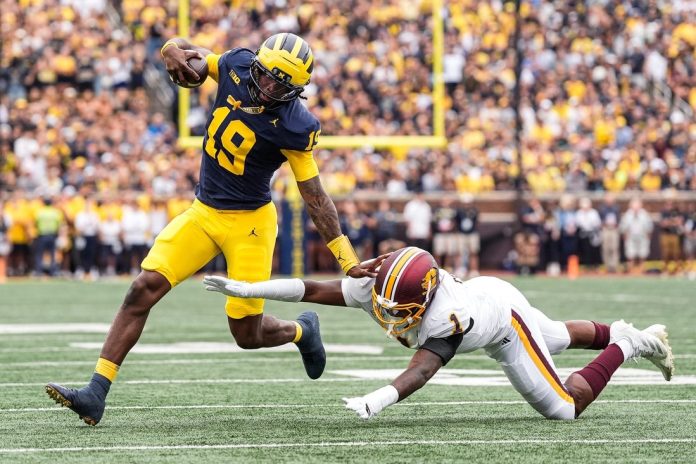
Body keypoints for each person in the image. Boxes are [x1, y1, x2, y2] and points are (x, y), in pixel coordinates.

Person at [45, 32, 376, 426]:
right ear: (256, 64)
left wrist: (347, 260)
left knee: (246, 334)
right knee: (142, 289)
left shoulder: (295, 126)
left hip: (250, 225)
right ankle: (96, 393)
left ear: (295, 91)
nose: (267, 87)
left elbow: (316, 198)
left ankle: (301, 331)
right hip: (203, 213)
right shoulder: (237, 64)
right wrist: (170, 49)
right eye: (264, 75)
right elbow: (189, 54)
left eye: (279, 85)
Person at [203, 247, 674, 421]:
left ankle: (627, 343)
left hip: (502, 324)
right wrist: (248, 287)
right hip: (491, 293)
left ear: (425, 298)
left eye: (401, 309)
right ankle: (629, 334)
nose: (389, 314)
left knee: (564, 407)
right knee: (554, 335)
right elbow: (311, 288)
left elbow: (423, 369)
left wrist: (377, 400)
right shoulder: (379, 282)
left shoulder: (447, 317)